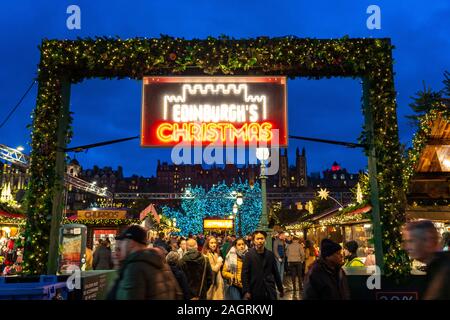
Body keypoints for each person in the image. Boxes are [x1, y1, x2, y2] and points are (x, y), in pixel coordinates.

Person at [107, 225, 182, 300]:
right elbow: (178, 294)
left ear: (131, 244)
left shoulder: (135, 267)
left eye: (123, 242)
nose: (121, 246)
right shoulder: (162, 262)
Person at [403, 220, 450, 299]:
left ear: (428, 240)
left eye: (411, 241)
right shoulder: (436, 267)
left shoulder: (444, 268)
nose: (406, 247)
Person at [242, 230, 284, 300]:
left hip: (269, 290)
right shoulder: (249, 255)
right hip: (255, 290)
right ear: (253, 240)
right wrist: (246, 291)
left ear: (265, 240)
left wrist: (280, 289)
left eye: (262, 238)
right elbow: (245, 274)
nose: (260, 241)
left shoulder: (270, 254)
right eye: (257, 239)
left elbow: (276, 273)